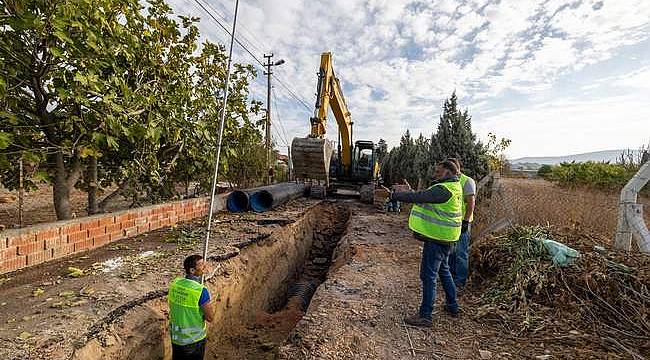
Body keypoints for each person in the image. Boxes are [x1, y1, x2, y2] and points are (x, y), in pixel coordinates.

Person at [390, 160, 463, 327]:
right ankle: (452, 305)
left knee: (428, 276)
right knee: (444, 271)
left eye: (438, 172)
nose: (436, 175)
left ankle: (425, 315)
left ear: (447, 172)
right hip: (448, 239)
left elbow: (420, 197)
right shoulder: (455, 186)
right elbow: (423, 196)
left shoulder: (443, 189)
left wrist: (395, 195)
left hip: (438, 239)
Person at [168, 255, 215, 360]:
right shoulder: (200, 291)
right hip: (194, 341)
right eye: (201, 265)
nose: (205, 266)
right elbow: (210, 318)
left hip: (176, 339)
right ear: (192, 270)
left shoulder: (175, 284)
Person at [446, 158, 476, 289]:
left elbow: (471, 203)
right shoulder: (450, 181)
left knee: (461, 253)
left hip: (463, 222)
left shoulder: (467, 181)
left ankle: (460, 281)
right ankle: (451, 277)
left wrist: (466, 220)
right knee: (451, 251)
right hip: (451, 223)